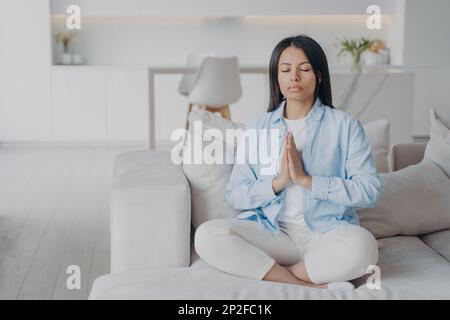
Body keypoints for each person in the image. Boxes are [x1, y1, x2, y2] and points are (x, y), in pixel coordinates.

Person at [194, 35, 381, 289]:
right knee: (207, 235)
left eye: (304, 69)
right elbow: (235, 194)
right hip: (274, 234)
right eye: (285, 70)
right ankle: (307, 284)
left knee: (364, 247)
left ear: (319, 75)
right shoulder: (259, 127)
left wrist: (307, 181)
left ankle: (277, 273)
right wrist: (278, 183)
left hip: (326, 234)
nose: (294, 76)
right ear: (277, 77)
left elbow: (370, 191)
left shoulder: (345, 126)